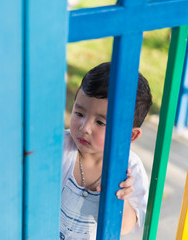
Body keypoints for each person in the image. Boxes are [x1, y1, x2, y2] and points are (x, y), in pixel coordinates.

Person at [60, 62, 152, 240]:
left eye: (101, 122)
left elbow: (126, 227)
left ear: (130, 136)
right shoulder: (61, 147)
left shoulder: (130, 170)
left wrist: (121, 200)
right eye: (79, 113)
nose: (84, 128)